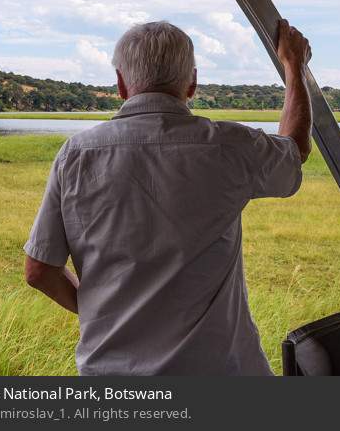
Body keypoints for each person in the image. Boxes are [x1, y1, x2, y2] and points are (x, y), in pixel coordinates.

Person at [23, 19, 312, 375]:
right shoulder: (230, 146)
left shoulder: (77, 154)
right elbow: (294, 150)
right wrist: (294, 67)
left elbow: (39, 271)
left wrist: (103, 309)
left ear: (120, 84)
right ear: (192, 82)